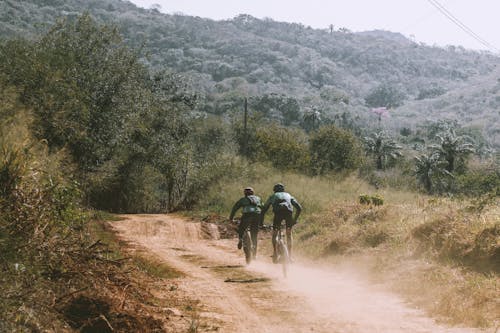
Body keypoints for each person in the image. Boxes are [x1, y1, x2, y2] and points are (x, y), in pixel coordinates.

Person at [261, 183, 302, 263]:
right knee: (289, 234)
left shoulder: (273, 196)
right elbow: (299, 208)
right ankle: (290, 256)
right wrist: (294, 220)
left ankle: (275, 253)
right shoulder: (289, 195)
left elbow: (264, 210)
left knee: (275, 234)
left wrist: (261, 223)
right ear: (283, 190)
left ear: (274, 190)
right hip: (288, 214)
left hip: (278, 214)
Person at [229, 187, 263, 258]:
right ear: (253, 193)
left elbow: (234, 208)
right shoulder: (258, 198)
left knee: (242, 227)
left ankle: (240, 239)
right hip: (257, 215)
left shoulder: (243, 200)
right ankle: (254, 255)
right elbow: (263, 207)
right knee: (254, 235)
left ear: (245, 193)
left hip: (247, 215)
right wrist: (261, 220)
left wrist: (231, 218)